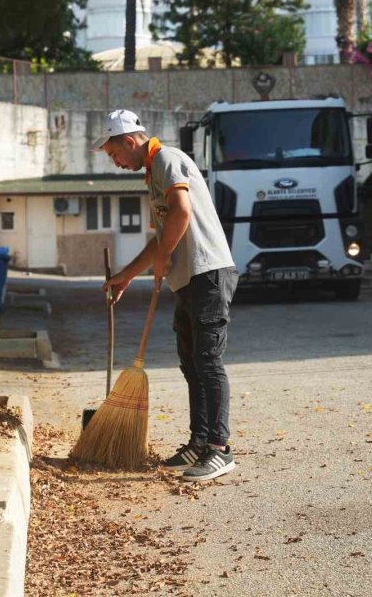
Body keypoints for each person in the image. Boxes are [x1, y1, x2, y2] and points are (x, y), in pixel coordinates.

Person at [93, 109, 239, 482]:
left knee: (207, 361)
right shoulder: (151, 172)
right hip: (188, 278)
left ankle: (220, 449)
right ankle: (199, 441)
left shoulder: (167, 159)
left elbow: (181, 212)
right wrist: (127, 275)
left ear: (130, 141)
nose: (116, 162)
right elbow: (161, 234)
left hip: (208, 272)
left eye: (114, 154)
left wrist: (166, 254)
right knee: (191, 364)